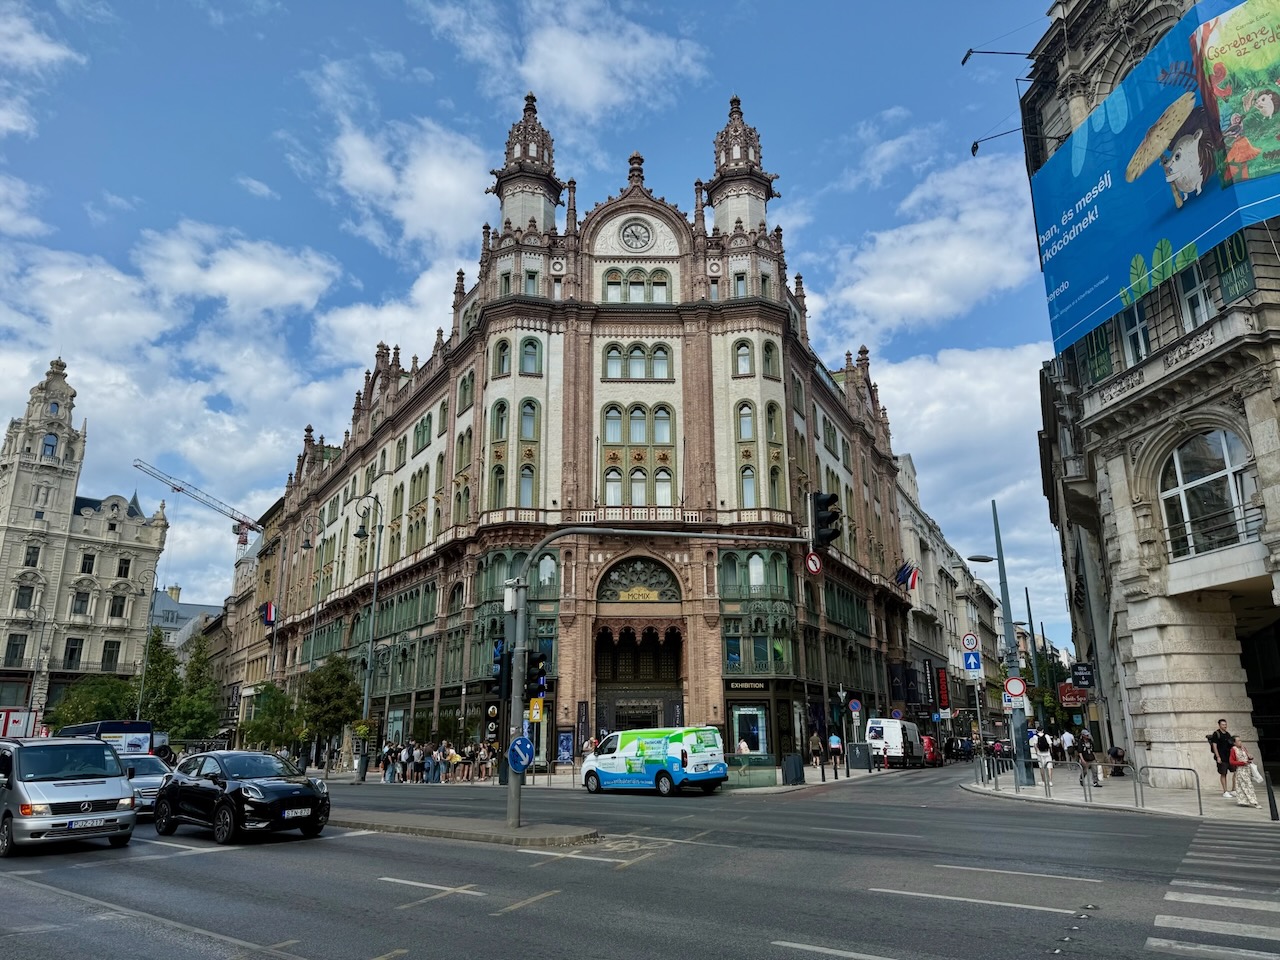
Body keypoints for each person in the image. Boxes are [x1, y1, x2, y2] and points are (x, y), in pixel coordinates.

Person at [1208, 718, 1236, 798]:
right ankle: (1225, 791)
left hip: (1229, 757)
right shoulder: (1216, 734)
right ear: (1219, 725)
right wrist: (1218, 756)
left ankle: (1233, 789)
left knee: (1235, 771)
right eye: (1223, 724)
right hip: (1222, 757)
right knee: (1223, 773)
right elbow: (1214, 745)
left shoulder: (1228, 734)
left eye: (1225, 724)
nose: (1225, 726)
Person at [1229, 737, 1261, 808]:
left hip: (1247, 769)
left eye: (1240, 740)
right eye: (1238, 741)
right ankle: (1254, 801)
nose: (1240, 742)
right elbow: (1231, 761)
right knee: (1248, 785)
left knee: (1245, 785)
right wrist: (1242, 763)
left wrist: (1250, 757)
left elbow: (1247, 757)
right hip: (1241, 770)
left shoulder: (1243, 748)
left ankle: (1244, 801)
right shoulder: (1233, 750)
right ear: (1234, 743)